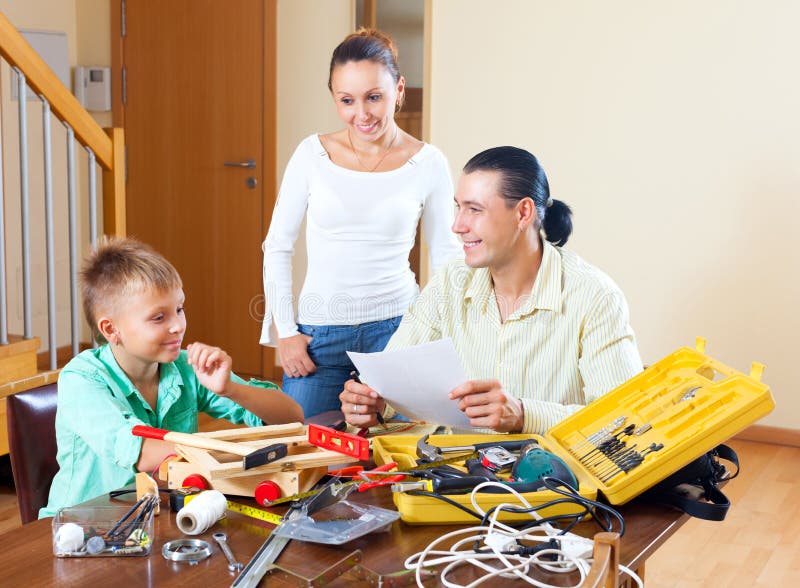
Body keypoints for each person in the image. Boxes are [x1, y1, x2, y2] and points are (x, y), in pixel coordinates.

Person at [340, 146, 643, 435]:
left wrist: (524, 414)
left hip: (555, 481)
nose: (457, 225)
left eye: (474, 210)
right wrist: (370, 404)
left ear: (523, 213)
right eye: (459, 207)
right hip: (456, 475)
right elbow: (389, 383)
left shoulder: (595, 296)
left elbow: (621, 420)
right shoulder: (450, 283)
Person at [261, 29, 461, 417]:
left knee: (401, 459)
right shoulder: (311, 154)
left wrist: (437, 334)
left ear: (398, 89)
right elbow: (277, 246)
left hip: (401, 332)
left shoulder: (429, 162)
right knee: (308, 455)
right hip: (319, 336)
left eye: (374, 97)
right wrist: (286, 333)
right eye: (347, 101)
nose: (362, 114)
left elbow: (446, 256)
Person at [40, 237, 303, 518]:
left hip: (156, 516)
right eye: (158, 318)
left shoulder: (184, 367)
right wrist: (234, 453)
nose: (178, 326)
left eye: (179, 309)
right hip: (79, 526)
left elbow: (292, 417)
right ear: (111, 329)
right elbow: (142, 453)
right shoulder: (81, 380)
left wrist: (229, 389)